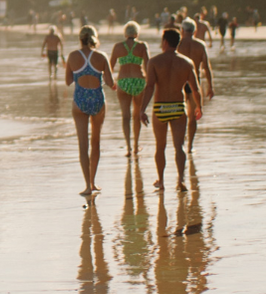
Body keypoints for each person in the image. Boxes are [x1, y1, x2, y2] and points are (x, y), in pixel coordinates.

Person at [140, 29, 202, 192]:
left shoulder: (154, 62)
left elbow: (150, 87)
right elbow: (195, 89)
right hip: (178, 106)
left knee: (160, 147)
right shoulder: (187, 63)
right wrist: (198, 107)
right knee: (179, 146)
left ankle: (161, 181)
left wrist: (142, 109)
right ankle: (181, 181)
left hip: (161, 107)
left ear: (165, 42)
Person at [66, 25, 116, 197]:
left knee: (83, 144)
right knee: (96, 142)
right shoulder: (101, 56)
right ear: (94, 38)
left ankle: (87, 185)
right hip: (97, 100)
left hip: (79, 101)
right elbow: (110, 82)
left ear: (80, 39)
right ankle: (94, 182)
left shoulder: (73, 56)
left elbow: (67, 81)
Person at [110, 22, 148, 157]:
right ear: (136, 34)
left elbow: (110, 67)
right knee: (137, 115)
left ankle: (128, 148)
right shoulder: (142, 46)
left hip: (123, 81)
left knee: (125, 116)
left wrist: (111, 83)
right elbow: (147, 66)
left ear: (125, 33)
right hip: (139, 81)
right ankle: (136, 146)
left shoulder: (118, 47)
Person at [178, 18, 214, 152]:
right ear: (195, 31)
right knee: (193, 116)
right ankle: (190, 146)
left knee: (180, 114)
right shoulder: (200, 45)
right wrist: (211, 86)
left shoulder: (178, 44)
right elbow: (206, 67)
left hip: (179, 82)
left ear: (182, 30)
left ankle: (180, 141)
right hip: (195, 82)